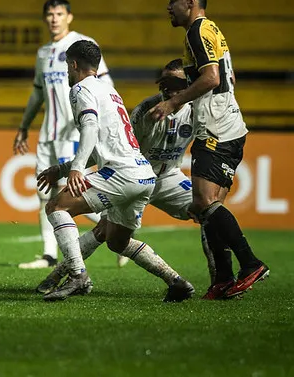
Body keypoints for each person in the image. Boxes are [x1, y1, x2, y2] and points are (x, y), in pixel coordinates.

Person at [37, 59, 214, 297]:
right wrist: (65, 169)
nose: (167, 88)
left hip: (162, 177)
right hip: (140, 173)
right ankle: (176, 281)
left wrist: (70, 169)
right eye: (163, 82)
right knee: (110, 236)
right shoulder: (145, 111)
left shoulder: (199, 109)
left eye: (175, 83)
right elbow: (117, 148)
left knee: (209, 210)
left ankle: (222, 277)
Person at [149, 0, 268, 299]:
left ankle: (250, 264)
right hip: (228, 121)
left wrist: (174, 101)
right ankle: (223, 280)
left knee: (202, 202)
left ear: (190, 1)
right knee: (208, 208)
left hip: (215, 127)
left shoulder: (196, 31)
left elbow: (212, 77)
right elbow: (227, 74)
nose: (168, 6)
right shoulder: (212, 29)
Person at [13, 0, 113, 270]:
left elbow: (105, 84)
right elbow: (37, 93)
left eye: (59, 13)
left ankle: (115, 227)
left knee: (69, 193)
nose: (54, 18)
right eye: (49, 14)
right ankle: (48, 255)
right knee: (44, 194)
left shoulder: (82, 45)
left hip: (74, 132)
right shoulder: (43, 53)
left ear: (69, 17)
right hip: (48, 133)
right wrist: (23, 126)